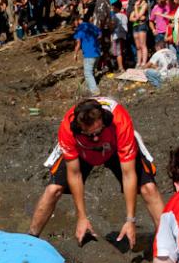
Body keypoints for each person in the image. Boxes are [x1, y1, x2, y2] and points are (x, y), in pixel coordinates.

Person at [29, 97, 164, 247]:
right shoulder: (68, 129)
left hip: (114, 146)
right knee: (53, 189)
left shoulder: (119, 121)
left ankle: (168, 240)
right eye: (90, 134)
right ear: (79, 128)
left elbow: (128, 174)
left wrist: (130, 220)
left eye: (98, 131)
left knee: (149, 188)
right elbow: (75, 174)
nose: (96, 138)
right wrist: (81, 217)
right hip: (83, 150)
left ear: (104, 120)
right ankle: (30, 240)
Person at [73, 12, 102, 95]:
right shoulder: (91, 25)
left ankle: (95, 91)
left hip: (89, 55)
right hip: (97, 53)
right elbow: (100, 34)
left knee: (87, 73)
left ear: (77, 20)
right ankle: (92, 85)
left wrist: (75, 54)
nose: (74, 24)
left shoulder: (80, 29)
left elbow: (78, 43)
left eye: (74, 22)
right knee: (91, 70)